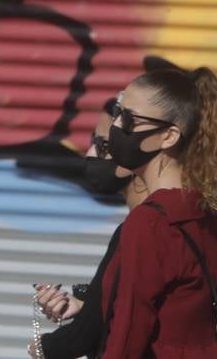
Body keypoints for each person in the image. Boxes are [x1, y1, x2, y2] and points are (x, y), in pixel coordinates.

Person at [95, 66, 217, 359]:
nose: (116, 126)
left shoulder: (149, 222)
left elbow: (130, 329)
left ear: (168, 136)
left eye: (129, 119)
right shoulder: (206, 210)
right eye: (118, 111)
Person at [30, 96, 146, 359]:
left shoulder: (142, 230)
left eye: (103, 145)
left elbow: (80, 339)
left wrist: (38, 347)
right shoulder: (148, 222)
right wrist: (85, 305)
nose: (91, 154)